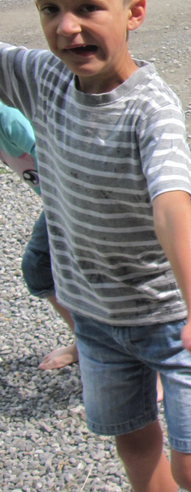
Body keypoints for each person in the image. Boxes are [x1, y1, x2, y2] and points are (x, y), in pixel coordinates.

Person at [0, 0, 191, 492]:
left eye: (87, 8)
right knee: (133, 441)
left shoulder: (150, 108)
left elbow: (171, 205)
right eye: (50, 9)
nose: (67, 27)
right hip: (95, 318)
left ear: (133, 13)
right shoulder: (41, 78)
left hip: (172, 320)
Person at [1, 103, 79, 370]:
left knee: (41, 266)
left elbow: (55, 159)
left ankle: (148, 362)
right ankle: (89, 342)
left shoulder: (9, 119)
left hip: (77, 196)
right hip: (61, 200)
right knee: (39, 268)